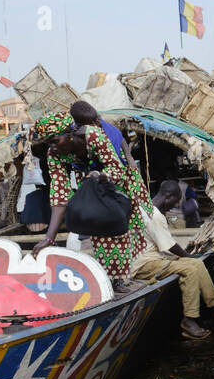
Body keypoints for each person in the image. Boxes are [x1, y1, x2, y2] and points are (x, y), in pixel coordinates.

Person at [32, 113, 152, 281]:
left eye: (55, 140)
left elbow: (116, 170)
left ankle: (132, 273)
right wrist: (49, 238)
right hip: (91, 184)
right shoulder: (54, 154)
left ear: (70, 133)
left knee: (131, 227)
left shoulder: (93, 135)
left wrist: (101, 176)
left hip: (121, 180)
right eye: (48, 143)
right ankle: (114, 280)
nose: (53, 147)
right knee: (100, 226)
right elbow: (59, 195)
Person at [129, 179, 214, 342]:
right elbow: (170, 245)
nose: (173, 207)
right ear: (167, 196)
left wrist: (190, 258)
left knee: (197, 263)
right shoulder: (154, 215)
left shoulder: (146, 207)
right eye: (174, 203)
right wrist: (187, 256)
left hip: (151, 258)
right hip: (144, 264)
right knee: (190, 269)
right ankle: (189, 319)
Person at [70, 101, 137, 169]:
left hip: (118, 164)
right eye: (92, 123)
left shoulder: (104, 125)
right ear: (81, 125)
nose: (97, 122)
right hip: (97, 169)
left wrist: (130, 159)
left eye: (97, 120)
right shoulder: (77, 134)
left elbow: (121, 139)